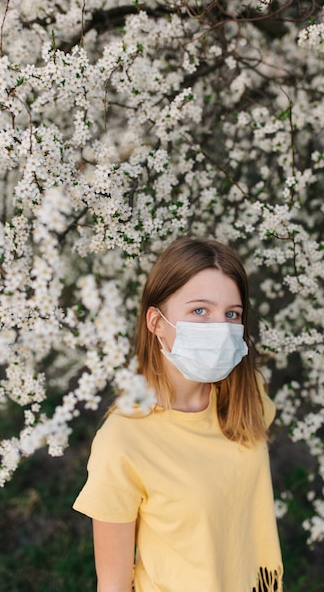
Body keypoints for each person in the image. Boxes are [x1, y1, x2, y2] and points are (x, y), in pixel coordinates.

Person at [73, 238, 283, 592]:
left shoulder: (246, 397)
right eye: (200, 310)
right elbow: (113, 583)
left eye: (231, 314)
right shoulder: (123, 441)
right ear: (156, 322)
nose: (219, 327)